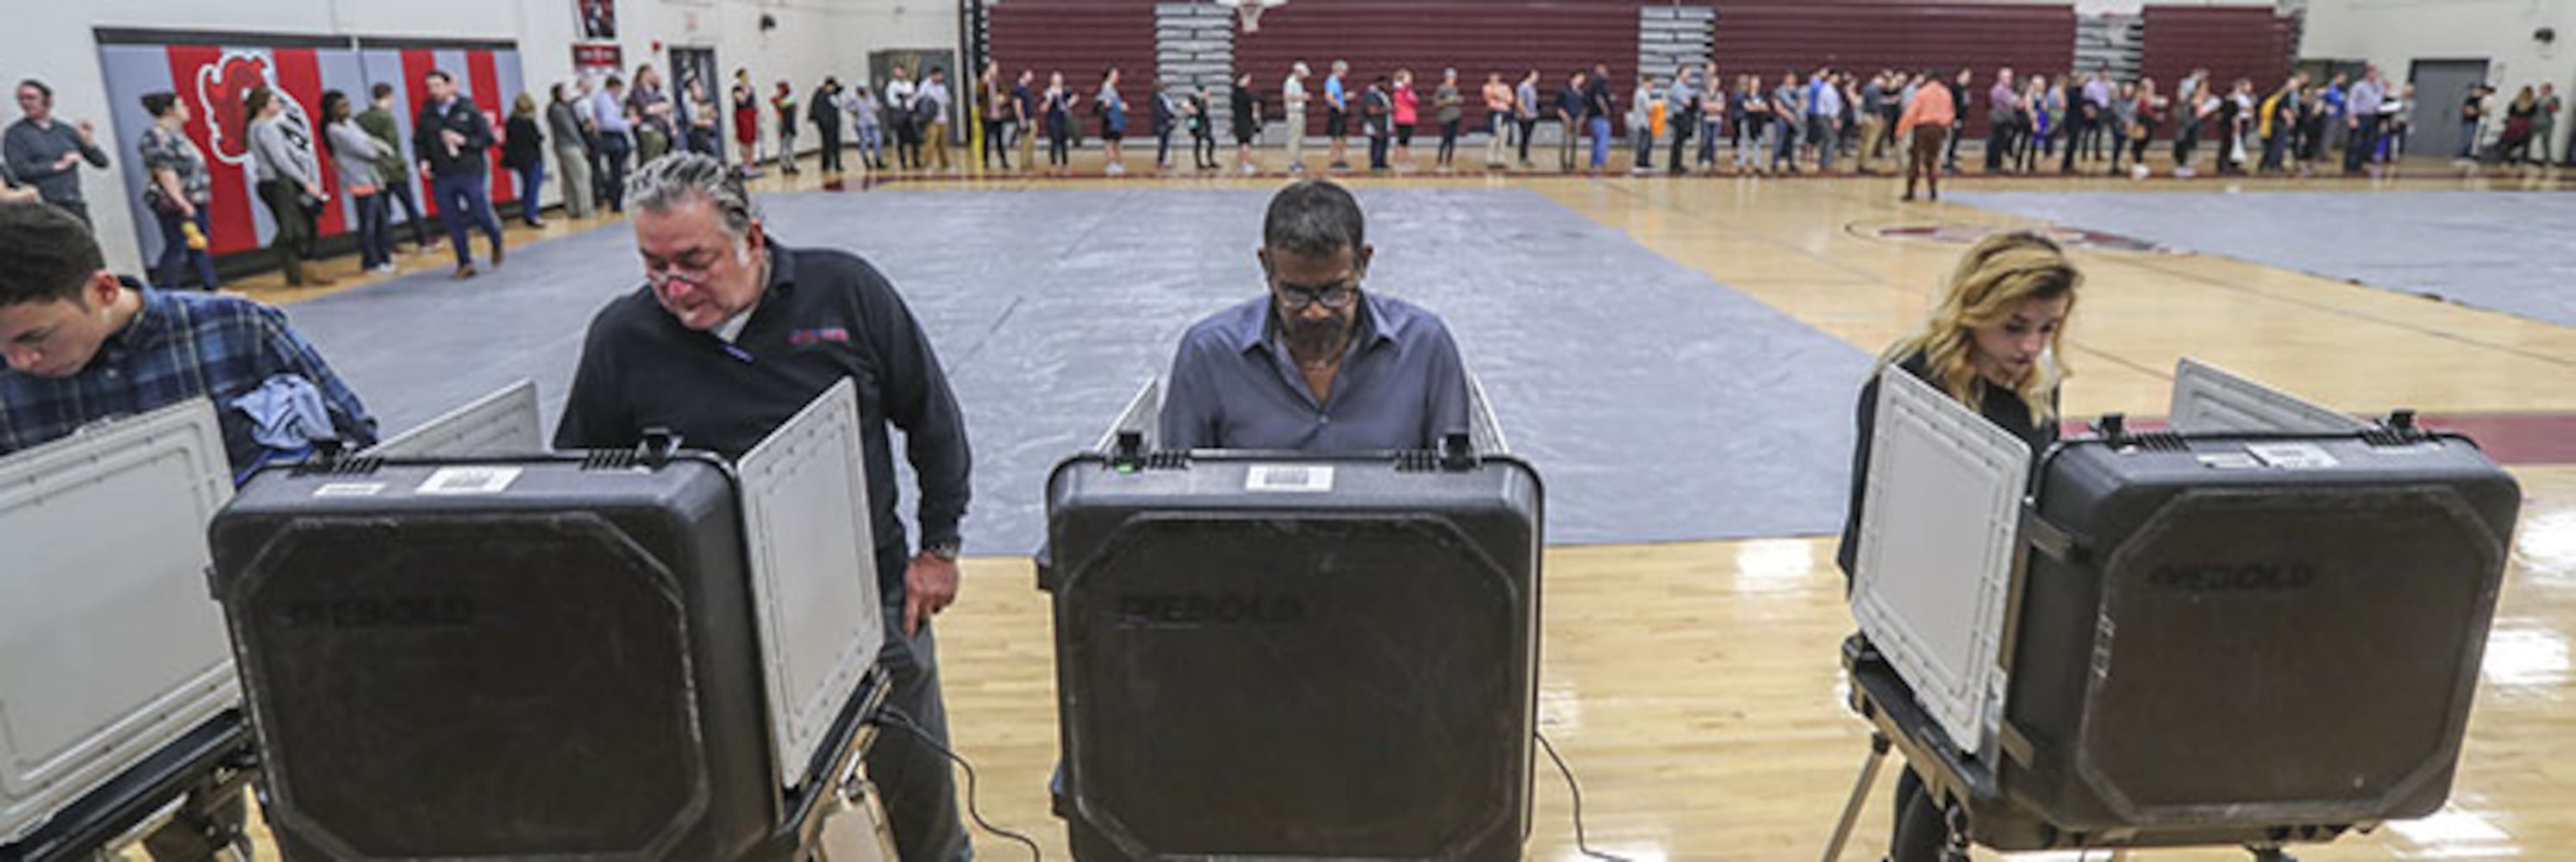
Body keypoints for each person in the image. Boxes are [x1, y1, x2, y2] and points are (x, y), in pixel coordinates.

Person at [553, 152, 972, 862]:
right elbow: (579, 479)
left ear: (751, 237)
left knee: (911, 760)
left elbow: (932, 420)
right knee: (743, 794)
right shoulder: (622, 338)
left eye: (694, 260)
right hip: (710, 612)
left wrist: (939, 548)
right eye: (654, 266)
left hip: (864, 589)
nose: (675, 287)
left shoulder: (846, 292)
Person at [1837, 230, 2080, 862]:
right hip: (1908, 593)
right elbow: (1878, 525)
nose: (2030, 347)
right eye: (2014, 327)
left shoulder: (2037, 383)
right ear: (1973, 311)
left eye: (2048, 328)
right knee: (1962, 740)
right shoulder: (1911, 379)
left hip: (1989, 594)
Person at [0, 199, 378, 473]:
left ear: (104, 291)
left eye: (36, 337)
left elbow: (358, 442)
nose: (18, 361)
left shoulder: (238, 329)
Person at [1160, 178, 1468, 451]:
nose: (1316, 312)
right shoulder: (1209, 353)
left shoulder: (1426, 347)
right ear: (1266, 265)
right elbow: (1179, 488)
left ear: (1364, 261)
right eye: (1295, 294)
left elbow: (1457, 486)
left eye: (1335, 292)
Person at [413, 69, 505, 279]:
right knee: (451, 219)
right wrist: (423, 160)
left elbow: (487, 139)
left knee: (480, 212)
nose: (434, 91)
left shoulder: (468, 109)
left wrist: (464, 141)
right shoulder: (427, 112)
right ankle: (465, 262)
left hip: (469, 170)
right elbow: (419, 140)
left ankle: (495, 238)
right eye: (430, 87)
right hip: (442, 173)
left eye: (437, 86)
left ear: (448, 86)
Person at [244, 87, 332, 288]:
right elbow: (281, 160)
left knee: (290, 227)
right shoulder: (266, 128)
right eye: (274, 102)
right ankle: (300, 268)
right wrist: (305, 181)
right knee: (292, 229)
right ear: (262, 106)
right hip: (278, 183)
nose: (278, 105)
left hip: (268, 182)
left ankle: (295, 274)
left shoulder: (253, 127)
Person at [136, 91, 219, 291]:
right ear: (169, 111)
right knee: (178, 247)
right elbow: (165, 171)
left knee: (197, 245)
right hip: (178, 203)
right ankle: (167, 291)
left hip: (194, 198)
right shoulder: (157, 137)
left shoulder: (177, 136)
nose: (187, 109)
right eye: (182, 105)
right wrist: (181, 202)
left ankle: (211, 287)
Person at [4, 79, 111, 226]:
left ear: (48, 100)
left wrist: (89, 142)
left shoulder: (65, 130)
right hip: (42, 207)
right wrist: (57, 166)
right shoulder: (15, 134)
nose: (25, 103)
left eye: (31, 98)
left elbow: (102, 163)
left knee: (85, 246)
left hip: (74, 203)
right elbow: (18, 171)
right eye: (21, 99)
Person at [322, 91, 395, 275]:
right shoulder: (334, 129)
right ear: (331, 110)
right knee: (368, 223)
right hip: (358, 179)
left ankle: (383, 256)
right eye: (341, 107)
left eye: (347, 105)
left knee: (381, 220)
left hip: (371, 177)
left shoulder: (350, 123)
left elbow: (367, 139)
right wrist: (376, 150)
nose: (347, 110)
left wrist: (374, 147)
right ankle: (370, 261)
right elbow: (363, 148)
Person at [357, 83, 435, 253]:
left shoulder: (361, 118)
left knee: (384, 212)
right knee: (410, 206)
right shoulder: (386, 117)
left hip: (376, 171)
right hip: (395, 171)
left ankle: (387, 244)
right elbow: (393, 145)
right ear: (389, 96)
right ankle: (424, 239)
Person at [1897, 70, 1955, 202]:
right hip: (1939, 128)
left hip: (1922, 128)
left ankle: (1910, 192)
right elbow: (1951, 113)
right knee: (1932, 161)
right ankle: (1933, 192)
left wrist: (1900, 129)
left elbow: (1911, 112)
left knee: (1915, 160)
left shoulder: (1922, 93)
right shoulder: (1945, 93)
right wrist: (1944, 127)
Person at [548, 83, 595, 220]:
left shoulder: (554, 109)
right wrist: (582, 145)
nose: (569, 95)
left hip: (561, 147)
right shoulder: (560, 110)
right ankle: (586, 210)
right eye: (566, 93)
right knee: (582, 177)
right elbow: (570, 130)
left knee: (569, 179)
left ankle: (573, 209)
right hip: (570, 147)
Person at [502, 93, 547, 228]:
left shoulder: (510, 121)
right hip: (532, 158)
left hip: (520, 160)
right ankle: (533, 215)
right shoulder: (528, 122)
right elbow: (535, 139)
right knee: (533, 188)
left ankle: (528, 214)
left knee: (527, 188)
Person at [590, 77, 635, 212]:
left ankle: (617, 200)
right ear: (614, 87)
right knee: (616, 171)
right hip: (610, 137)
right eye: (619, 90)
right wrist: (628, 123)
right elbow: (608, 123)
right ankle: (615, 202)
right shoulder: (604, 100)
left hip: (615, 137)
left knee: (617, 171)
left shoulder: (611, 100)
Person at [630, 65, 676, 164]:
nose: (652, 75)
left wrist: (659, 108)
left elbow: (668, 106)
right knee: (650, 157)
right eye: (649, 73)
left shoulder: (653, 90)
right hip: (647, 127)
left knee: (661, 153)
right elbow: (646, 109)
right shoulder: (637, 90)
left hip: (660, 126)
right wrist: (660, 108)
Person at [917, 67, 953, 172]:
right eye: (937, 75)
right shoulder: (925, 86)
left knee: (943, 143)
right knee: (930, 142)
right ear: (932, 75)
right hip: (932, 119)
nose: (939, 77)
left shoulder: (942, 87)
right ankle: (927, 164)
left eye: (941, 75)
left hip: (943, 118)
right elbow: (920, 100)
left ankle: (945, 164)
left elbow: (947, 101)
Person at [979, 60, 1013, 172]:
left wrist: (1004, 98)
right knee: (986, 139)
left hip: (999, 114)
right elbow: (978, 96)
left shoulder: (1000, 81)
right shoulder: (982, 81)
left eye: (996, 68)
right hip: (987, 115)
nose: (994, 71)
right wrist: (984, 84)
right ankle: (985, 162)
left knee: (999, 140)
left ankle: (1003, 161)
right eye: (992, 68)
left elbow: (1007, 93)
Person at [1985, 67, 2019, 173]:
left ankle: (1996, 164)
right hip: (2000, 118)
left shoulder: (2006, 89)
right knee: (1997, 142)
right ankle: (1994, 165)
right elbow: (2011, 103)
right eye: (2007, 78)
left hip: (2003, 117)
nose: (2009, 80)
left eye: (2010, 78)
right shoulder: (2000, 89)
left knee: (2000, 142)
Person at [1040, 73, 1075, 175]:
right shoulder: (1048, 92)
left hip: (1063, 119)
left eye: (1059, 80)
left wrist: (1071, 103)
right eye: (1056, 80)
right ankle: (1053, 163)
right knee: (1054, 141)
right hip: (1052, 119)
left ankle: (1065, 163)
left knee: (1064, 141)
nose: (1058, 82)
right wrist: (1049, 100)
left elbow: (1070, 101)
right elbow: (1043, 108)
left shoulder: (1065, 92)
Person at [810, 77, 845, 175]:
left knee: (836, 143)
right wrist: (819, 121)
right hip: (825, 124)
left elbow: (840, 91)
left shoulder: (834, 95)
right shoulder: (820, 94)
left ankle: (837, 164)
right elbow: (815, 109)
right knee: (827, 144)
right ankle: (826, 164)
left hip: (834, 122)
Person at [885, 66, 918, 171]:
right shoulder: (891, 86)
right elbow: (891, 100)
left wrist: (907, 98)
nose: (899, 74)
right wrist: (902, 98)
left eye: (900, 72)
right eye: (896, 72)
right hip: (898, 113)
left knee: (914, 138)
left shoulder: (909, 84)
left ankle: (916, 161)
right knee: (900, 139)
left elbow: (914, 97)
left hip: (910, 112)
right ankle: (903, 162)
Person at [1097, 67, 1129, 176]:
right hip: (1110, 119)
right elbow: (1108, 103)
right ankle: (1111, 164)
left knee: (1116, 142)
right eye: (1115, 74)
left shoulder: (1112, 88)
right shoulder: (1106, 88)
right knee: (1110, 142)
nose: (1117, 76)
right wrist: (1120, 106)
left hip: (1115, 119)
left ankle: (1116, 163)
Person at [850, 82, 886, 172]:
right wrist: (854, 111)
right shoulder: (854, 98)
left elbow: (875, 106)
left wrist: (878, 108)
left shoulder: (871, 97)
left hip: (873, 122)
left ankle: (878, 159)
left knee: (878, 140)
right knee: (864, 142)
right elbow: (848, 107)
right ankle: (866, 160)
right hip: (861, 123)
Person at [1585, 65, 1616, 173]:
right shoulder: (1599, 84)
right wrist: (1605, 109)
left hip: (1593, 117)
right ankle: (1599, 162)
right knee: (1602, 141)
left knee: (1596, 141)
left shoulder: (1592, 85)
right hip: (1600, 116)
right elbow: (1599, 98)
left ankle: (1594, 163)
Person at [1232, 72, 1263, 175]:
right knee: (1245, 144)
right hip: (1244, 121)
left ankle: (1241, 164)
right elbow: (1251, 107)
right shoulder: (1243, 94)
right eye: (1246, 79)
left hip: (1238, 121)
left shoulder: (1235, 92)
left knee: (1241, 144)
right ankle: (1245, 164)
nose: (1248, 81)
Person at [1555, 70, 1586, 173]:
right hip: (1567, 118)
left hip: (1577, 119)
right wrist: (1564, 115)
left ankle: (1572, 162)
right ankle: (1563, 162)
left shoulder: (1581, 92)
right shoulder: (1564, 90)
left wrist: (1582, 116)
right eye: (1580, 78)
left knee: (1575, 142)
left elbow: (1584, 106)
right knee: (1565, 141)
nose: (1582, 81)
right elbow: (1558, 106)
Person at [731, 74, 762, 176]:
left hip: (751, 115)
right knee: (744, 141)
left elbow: (754, 103)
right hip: (742, 116)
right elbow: (742, 100)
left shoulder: (751, 88)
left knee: (752, 141)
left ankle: (751, 165)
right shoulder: (736, 89)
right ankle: (745, 166)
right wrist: (746, 91)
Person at [1433, 68, 1464, 171]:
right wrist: (1447, 101)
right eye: (1451, 78)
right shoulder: (1441, 89)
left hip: (1454, 116)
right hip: (1445, 118)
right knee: (1445, 139)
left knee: (1452, 140)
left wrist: (1458, 100)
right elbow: (1436, 103)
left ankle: (1449, 159)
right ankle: (1440, 159)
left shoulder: (1455, 89)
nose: (1453, 80)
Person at [1283, 62, 1311, 172]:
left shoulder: (1298, 83)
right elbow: (1288, 97)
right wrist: (1302, 97)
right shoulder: (1290, 82)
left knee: (1299, 138)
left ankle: (1297, 160)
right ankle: (1292, 162)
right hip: (1293, 112)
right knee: (1294, 138)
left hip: (1299, 112)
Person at [1482, 71, 1514, 169]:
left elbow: (1510, 100)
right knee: (1493, 136)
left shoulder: (1505, 87)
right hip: (1494, 113)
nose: (1494, 80)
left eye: (1496, 78)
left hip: (1505, 113)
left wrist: (1501, 97)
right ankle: (1490, 159)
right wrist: (1501, 97)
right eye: (1492, 78)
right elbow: (1489, 97)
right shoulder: (1487, 87)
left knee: (1503, 136)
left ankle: (1501, 159)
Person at [1363, 74, 1394, 172]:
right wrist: (1385, 110)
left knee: (1383, 143)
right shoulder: (1371, 94)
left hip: (1383, 123)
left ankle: (1382, 162)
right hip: (1375, 123)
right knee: (1377, 143)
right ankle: (1376, 163)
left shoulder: (1382, 94)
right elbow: (1371, 110)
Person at [1324, 59, 1351, 171]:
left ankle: (1341, 159)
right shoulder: (1332, 81)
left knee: (1342, 136)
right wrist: (1339, 106)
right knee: (1335, 137)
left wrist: (1344, 98)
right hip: (1336, 112)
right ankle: (1334, 160)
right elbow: (1329, 96)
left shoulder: (1337, 82)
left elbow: (1337, 97)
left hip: (1339, 111)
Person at [1629, 75, 1658, 173]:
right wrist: (1655, 105)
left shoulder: (1642, 93)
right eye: (1651, 83)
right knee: (1644, 143)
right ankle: (1641, 163)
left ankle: (1645, 162)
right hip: (1643, 122)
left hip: (1645, 121)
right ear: (1646, 83)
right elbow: (1648, 108)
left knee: (1647, 143)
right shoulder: (1642, 93)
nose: (1652, 86)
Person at [1391, 68, 1419, 170]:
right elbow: (1409, 100)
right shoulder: (1399, 91)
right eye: (1408, 77)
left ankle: (1405, 160)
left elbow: (1415, 100)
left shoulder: (1408, 90)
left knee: (1406, 141)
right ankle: (1399, 161)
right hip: (1402, 118)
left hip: (1409, 118)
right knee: (1401, 141)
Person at [772, 80, 801, 176]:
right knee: (783, 145)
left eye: (781, 89)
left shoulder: (791, 98)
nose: (779, 91)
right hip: (782, 123)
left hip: (790, 123)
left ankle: (792, 164)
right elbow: (778, 106)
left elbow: (795, 109)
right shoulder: (777, 99)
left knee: (790, 146)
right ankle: (784, 165)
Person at [1012, 70, 1041, 171]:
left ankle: (1030, 162)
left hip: (1031, 118)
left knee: (1031, 143)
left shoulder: (1026, 89)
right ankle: (1024, 164)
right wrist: (1021, 120)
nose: (1031, 76)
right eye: (1029, 74)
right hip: (1026, 119)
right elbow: (1017, 106)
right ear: (1023, 76)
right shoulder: (1018, 90)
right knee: (1025, 143)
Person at [1515, 69, 1542, 168]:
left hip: (1532, 115)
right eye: (1535, 76)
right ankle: (1522, 158)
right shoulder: (1523, 87)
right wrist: (1525, 113)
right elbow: (1520, 102)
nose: (1537, 78)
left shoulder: (1533, 88)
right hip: (1525, 116)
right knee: (1524, 137)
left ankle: (1525, 157)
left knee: (1528, 138)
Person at [2535, 84, 2561, 166]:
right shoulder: (2537, 99)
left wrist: (2551, 105)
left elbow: (2557, 109)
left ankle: (2547, 160)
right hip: (2535, 122)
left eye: (2544, 89)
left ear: (2549, 90)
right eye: (2542, 89)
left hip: (2547, 122)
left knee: (2546, 142)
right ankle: (2524, 158)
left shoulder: (2554, 99)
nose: (2542, 91)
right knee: (2527, 140)